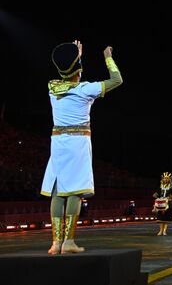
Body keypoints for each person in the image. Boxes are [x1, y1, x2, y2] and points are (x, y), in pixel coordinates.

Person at [40, 40, 123, 254]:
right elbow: (117, 79)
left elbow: (68, 78)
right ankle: (68, 242)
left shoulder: (52, 88)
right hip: (78, 143)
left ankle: (56, 243)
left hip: (58, 142)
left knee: (58, 192)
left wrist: (76, 57)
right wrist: (108, 57)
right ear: (79, 69)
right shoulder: (86, 89)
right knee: (75, 191)